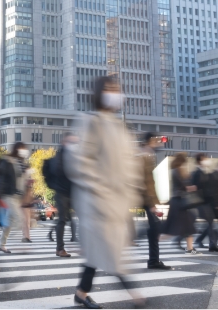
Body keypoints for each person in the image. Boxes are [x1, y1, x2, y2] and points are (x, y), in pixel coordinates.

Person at [66, 76, 144, 309]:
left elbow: (129, 164)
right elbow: (79, 162)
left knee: (99, 253)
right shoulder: (90, 122)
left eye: (118, 89)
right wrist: (99, 188)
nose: (116, 94)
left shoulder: (119, 126)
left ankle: (81, 293)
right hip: (97, 202)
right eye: (110, 89)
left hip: (116, 203)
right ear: (99, 93)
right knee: (111, 253)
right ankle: (135, 295)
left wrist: (130, 191)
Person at [138, 132, 171, 269]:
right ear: (149, 141)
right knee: (153, 228)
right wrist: (152, 204)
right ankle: (153, 260)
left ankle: (154, 260)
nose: (159, 143)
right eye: (156, 141)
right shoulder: (143, 156)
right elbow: (145, 182)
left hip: (143, 198)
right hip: (140, 197)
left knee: (154, 228)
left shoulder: (146, 155)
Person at [161, 153, 200, 255]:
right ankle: (158, 238)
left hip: (178, 201)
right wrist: (193, 187)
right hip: (180, 202)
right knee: (179, 225)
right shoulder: (177, 171)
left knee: (186, 225)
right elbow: (184, 187)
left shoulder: (175, 170)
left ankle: (189, 248)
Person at [46, 132, 78, 257]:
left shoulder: (73, 156)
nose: (74, 145)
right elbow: (59, 172)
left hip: (72, 192)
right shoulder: (59, 157)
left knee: (68, 219)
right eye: (72, 142)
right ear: (64, 142)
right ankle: (60, 249)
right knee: (62, 220)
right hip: (62, 193)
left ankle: (82, 244)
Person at [0, 142, 30, 253]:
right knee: (18, 219)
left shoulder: (23, 163)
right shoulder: (7, 161)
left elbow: (22, 179)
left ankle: (2, 245)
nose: (24, 151)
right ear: (16, 149)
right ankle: (0, 224)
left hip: (17, 196)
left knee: (11, 222)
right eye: (22, 149)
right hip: (8, 194)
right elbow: (1, 178)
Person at [192, 153, 218, 252]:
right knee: (210, 223)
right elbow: (196, 187)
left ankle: (200, 240)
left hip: (207, 201)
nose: (207, 160)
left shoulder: (205, 172)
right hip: (202, 202)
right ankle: (212, 244)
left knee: (210, 223)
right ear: (200, 160)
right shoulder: (197, 173)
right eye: (205, 159)